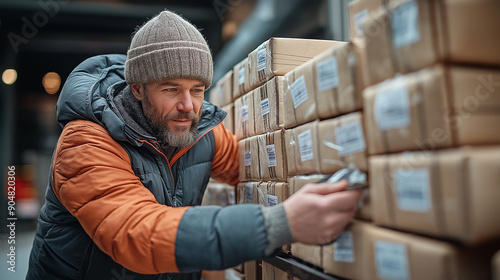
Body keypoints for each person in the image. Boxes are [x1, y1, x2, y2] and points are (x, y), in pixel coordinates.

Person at [26, 10, 362, 280]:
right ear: (139, 89)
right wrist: (278, 224)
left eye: (198, 89)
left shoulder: (199, 133)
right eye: (171, 89)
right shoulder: (86, 142)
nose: (188, 105)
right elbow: (136, 234)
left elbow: (255, 167)